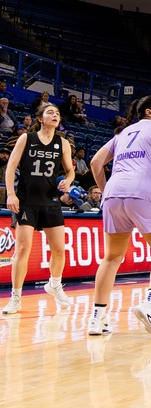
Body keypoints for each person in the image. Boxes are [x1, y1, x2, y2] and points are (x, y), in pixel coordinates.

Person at [86, 95, 151, 337]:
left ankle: (96, 319)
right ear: (149, 113)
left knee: (111, 257)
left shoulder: (122, 133)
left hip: (112, 195)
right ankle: (149, 304)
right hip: (143, 192)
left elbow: (96, 162)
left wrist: (107, 187)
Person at [2, 103, 76, 315]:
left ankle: (54, 284)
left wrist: (68, 182)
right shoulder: (27, 138)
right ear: (41, 118)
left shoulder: (62, 143)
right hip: (26, 201)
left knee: (59, 249)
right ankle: (15, 298)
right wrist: (11, 194)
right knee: (23, 249)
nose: (55, 115)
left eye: (58, 113)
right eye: (50, 112)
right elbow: (11, 166)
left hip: (51, 200)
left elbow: (70, 172)